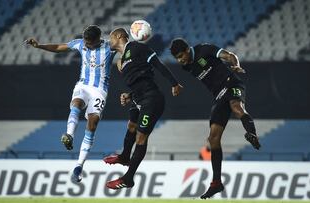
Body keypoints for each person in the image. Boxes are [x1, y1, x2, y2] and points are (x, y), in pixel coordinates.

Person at [169, 38, 261, 199]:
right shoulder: (187, 66)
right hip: (219, 96)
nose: (180, 60)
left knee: (237, 107)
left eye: (181, 55)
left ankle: (252, 134)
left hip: (232, 84)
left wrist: (236, 64)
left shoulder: (204, 50)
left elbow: (229, 55)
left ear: (187, 49)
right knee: (213, 138)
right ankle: (216, 183)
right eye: (177, 58)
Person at [25, 25, 115, 183]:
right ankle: (69, 135)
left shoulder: (109, 46)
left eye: (89, 43)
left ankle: (79, 166)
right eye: (85, 42)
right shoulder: (80, 43)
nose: (86, 45)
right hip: (83, 85)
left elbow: (125, 49)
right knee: (76, 103)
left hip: (100, 90)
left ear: (98, 39)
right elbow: (60, 47)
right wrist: (39, 46)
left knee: (92, 123)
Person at [104, 28, 183, 189]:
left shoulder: (137, 48)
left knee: (141, 138)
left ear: (119, 36)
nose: (109, 41)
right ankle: (125, 156)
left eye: (111, 37)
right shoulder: (121, 61)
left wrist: (174, 83)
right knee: (131, 126)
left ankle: (128, 178)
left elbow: (158, 65)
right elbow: (140, 79)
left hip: (151, 99)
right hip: (138, 98)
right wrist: (129, 95)